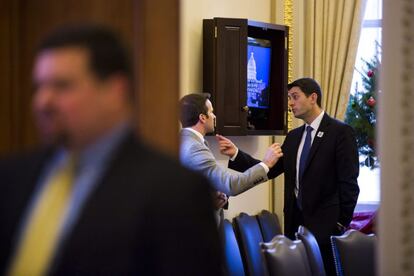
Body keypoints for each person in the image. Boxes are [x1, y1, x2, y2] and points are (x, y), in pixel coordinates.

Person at [0, 24, 223, 275]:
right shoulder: (12, 176)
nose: (42, 102)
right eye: (39, 87)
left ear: (115, 91)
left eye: (62, 86)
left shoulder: (175, 192)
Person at [219, 78, 360, 275]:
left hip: (328, 229)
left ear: (313, 98)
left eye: (295, 97)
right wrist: (236, 154)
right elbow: (270, 170)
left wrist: (340, 223)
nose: (290, 103)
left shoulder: (340, 132)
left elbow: (349, 183)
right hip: (295, 227)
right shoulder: (293, 137)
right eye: (288, 98)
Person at [179, 93, 283, 200]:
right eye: (211, 112)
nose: (214, 116)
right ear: (202, 118)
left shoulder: (185, 141)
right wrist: (266, 163)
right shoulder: (195, 147)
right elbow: (230, 185)